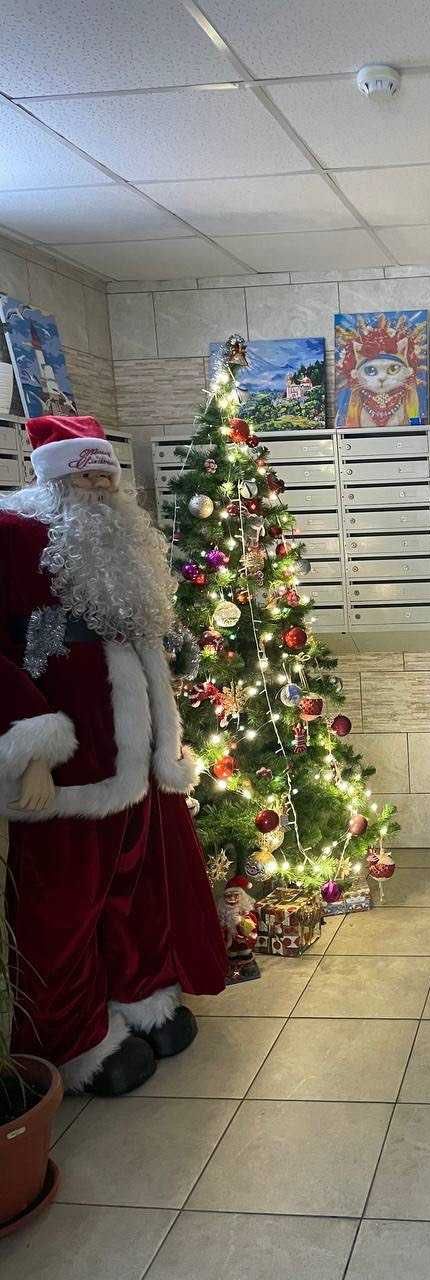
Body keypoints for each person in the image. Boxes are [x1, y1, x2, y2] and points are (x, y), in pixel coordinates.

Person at [0, 415, 226, 1095]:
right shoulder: (14, 536)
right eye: (85, 475)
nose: (99, 487)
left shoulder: (125, 540)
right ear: (51, 477)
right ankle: (73, 1042)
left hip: (139, 763)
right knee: (61, 913)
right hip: (68, 774)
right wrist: (29, 747)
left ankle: (144, 997)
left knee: (137, 893)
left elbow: (140, 635)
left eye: (105, 474)